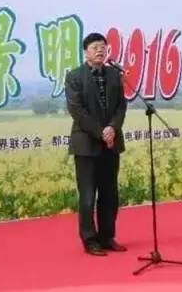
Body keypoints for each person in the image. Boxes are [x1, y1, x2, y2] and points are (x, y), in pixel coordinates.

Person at [64, 32, 128, 256]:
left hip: (111, 143)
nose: (100, 50)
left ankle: (107, 236)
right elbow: (77, 111)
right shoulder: (74, 76)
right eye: (95, 47)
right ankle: (90, 239)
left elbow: (121, 106)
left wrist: (112, 128)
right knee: (88, 195)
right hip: (86, 144)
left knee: (110, 194)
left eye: (103, 46)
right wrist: (101, 132)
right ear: (86, 52)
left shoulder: (114, 75)